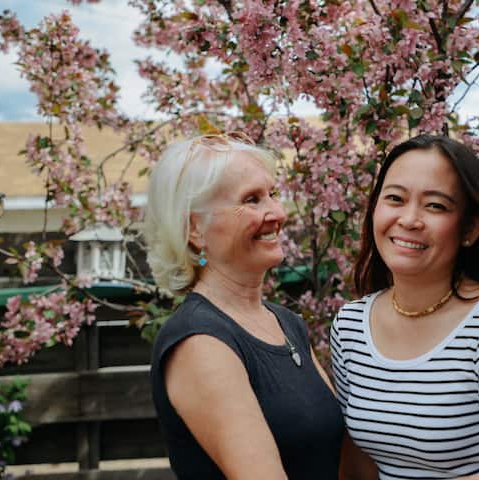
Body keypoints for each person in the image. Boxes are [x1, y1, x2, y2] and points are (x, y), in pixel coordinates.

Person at [331, 134, 479, 480]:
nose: (409, 219)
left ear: (470, 227)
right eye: (395, 198)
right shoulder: (350, 326)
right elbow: (357, 471)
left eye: (435, 205)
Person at [144, 134, 344, 479]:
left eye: (273, 194)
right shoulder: (199, 341)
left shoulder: (287, 323)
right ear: (195, 228)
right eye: (251, 200)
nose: (277, 213)